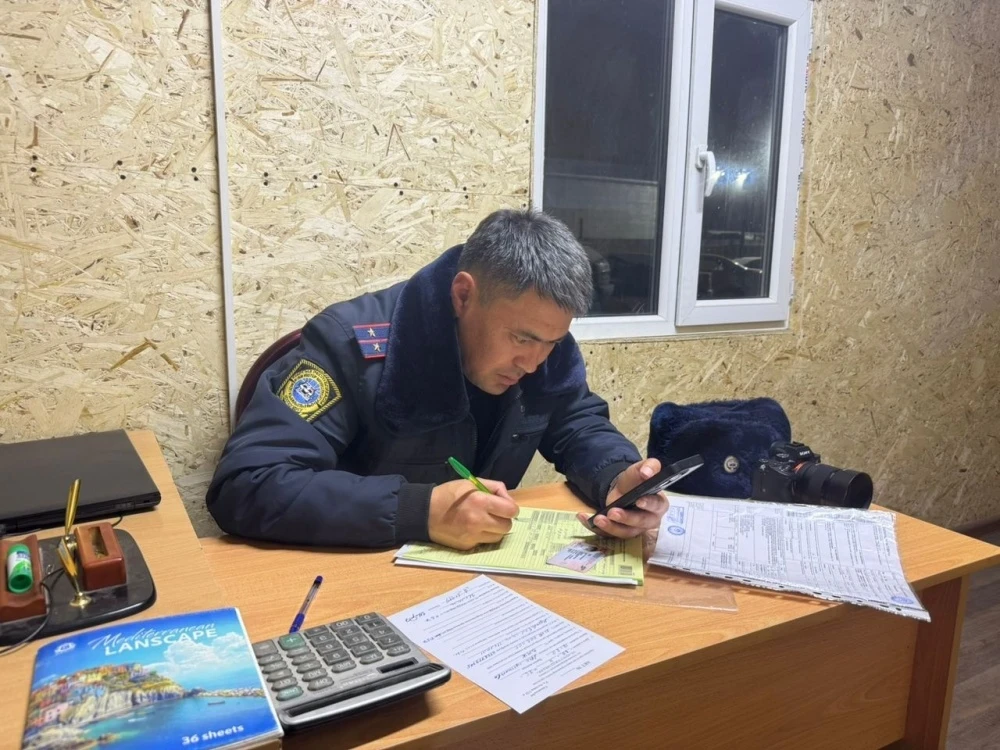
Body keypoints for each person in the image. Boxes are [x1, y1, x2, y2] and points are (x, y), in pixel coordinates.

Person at [207, 209, 669, 550]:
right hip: (350, 575)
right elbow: (249, 484)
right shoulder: (349, 345)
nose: (533, 363)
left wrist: (615, 478)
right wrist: (420, 511)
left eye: (551, 342)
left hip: (474, 580)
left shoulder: (544, 345)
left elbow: (577, 421)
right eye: (521, 339)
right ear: (463, 295)